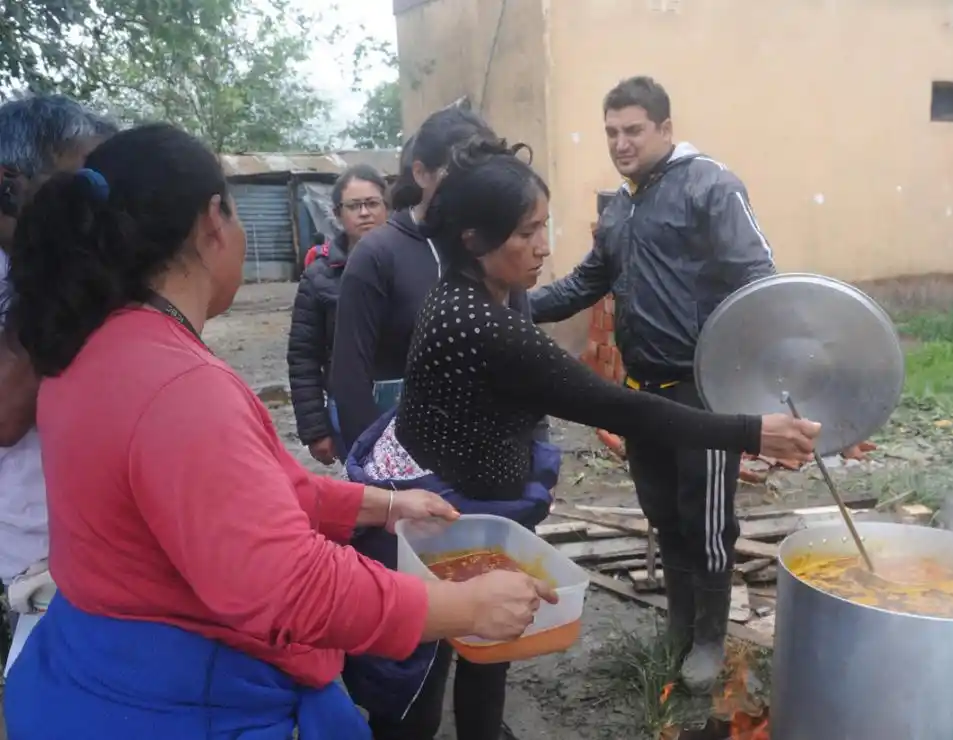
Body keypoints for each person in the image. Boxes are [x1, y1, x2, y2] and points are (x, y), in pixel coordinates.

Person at [0, 123, 559, 740]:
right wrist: (463, 607)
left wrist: (384, 503)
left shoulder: (98, 347)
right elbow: (288, 584)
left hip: (103, 673)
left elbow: (253, 494)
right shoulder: (175, 386)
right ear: (213, 221)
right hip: (185, 699)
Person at [343, 137, 821, 740]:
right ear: (473, 239)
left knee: (490, 631)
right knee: (421, 667)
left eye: (545, 226)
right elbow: (619, 407)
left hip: (470, 497)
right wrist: (753, 431)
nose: (543, 246)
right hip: (438, 514)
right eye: (525, 233)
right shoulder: (483, 323)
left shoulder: (486, 291)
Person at [529, 76, 784, 693]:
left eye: (633, 130)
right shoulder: (621, 207)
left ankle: (709, 638)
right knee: (663, 514)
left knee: (707, 520)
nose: (621, 142)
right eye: (612, 131)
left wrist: (750, 375)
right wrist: (508, 302)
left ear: (665, 130)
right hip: (642, 392)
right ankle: (678, 625)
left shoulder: (710, 186)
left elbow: (759, 281)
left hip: (704, 393)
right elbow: (585, 283)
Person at [0, 94, 118, 673]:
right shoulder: (34, 277)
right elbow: (4, 415)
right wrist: (46, 266)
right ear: (9, 185)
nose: (94, 206)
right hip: (34, 567)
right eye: (83, 184)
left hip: (96, 551)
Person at [329, 106, 520, 451]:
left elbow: (526, 364)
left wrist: (535, 454)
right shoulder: (377, 255)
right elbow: (350, 379)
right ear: (421, 173)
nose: (471, 185)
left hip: (491, 455)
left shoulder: (498, 247)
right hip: (404, 461)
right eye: (456, 170)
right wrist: (378, 472)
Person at [287, 164, 390, 465]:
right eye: (354, 206)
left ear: (387, 208)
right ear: (337, 213)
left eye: (372, 203)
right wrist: (315, 429)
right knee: (367, 495)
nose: (364, 213)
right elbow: (303, 355)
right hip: (348, 407)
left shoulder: (409, 264)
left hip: (407, 405)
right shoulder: (319, 276)